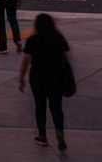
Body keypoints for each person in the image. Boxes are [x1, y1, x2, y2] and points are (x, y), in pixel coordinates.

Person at [19, 13, 71, 151]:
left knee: (40, 106)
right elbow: (67, 57)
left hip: (38, 76)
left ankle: (42, 135)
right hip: (56, 76)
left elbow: (26, 61)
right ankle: (59, 131)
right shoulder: (58, 38)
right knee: (56, 107)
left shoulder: (33, 40)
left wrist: (21, 78)